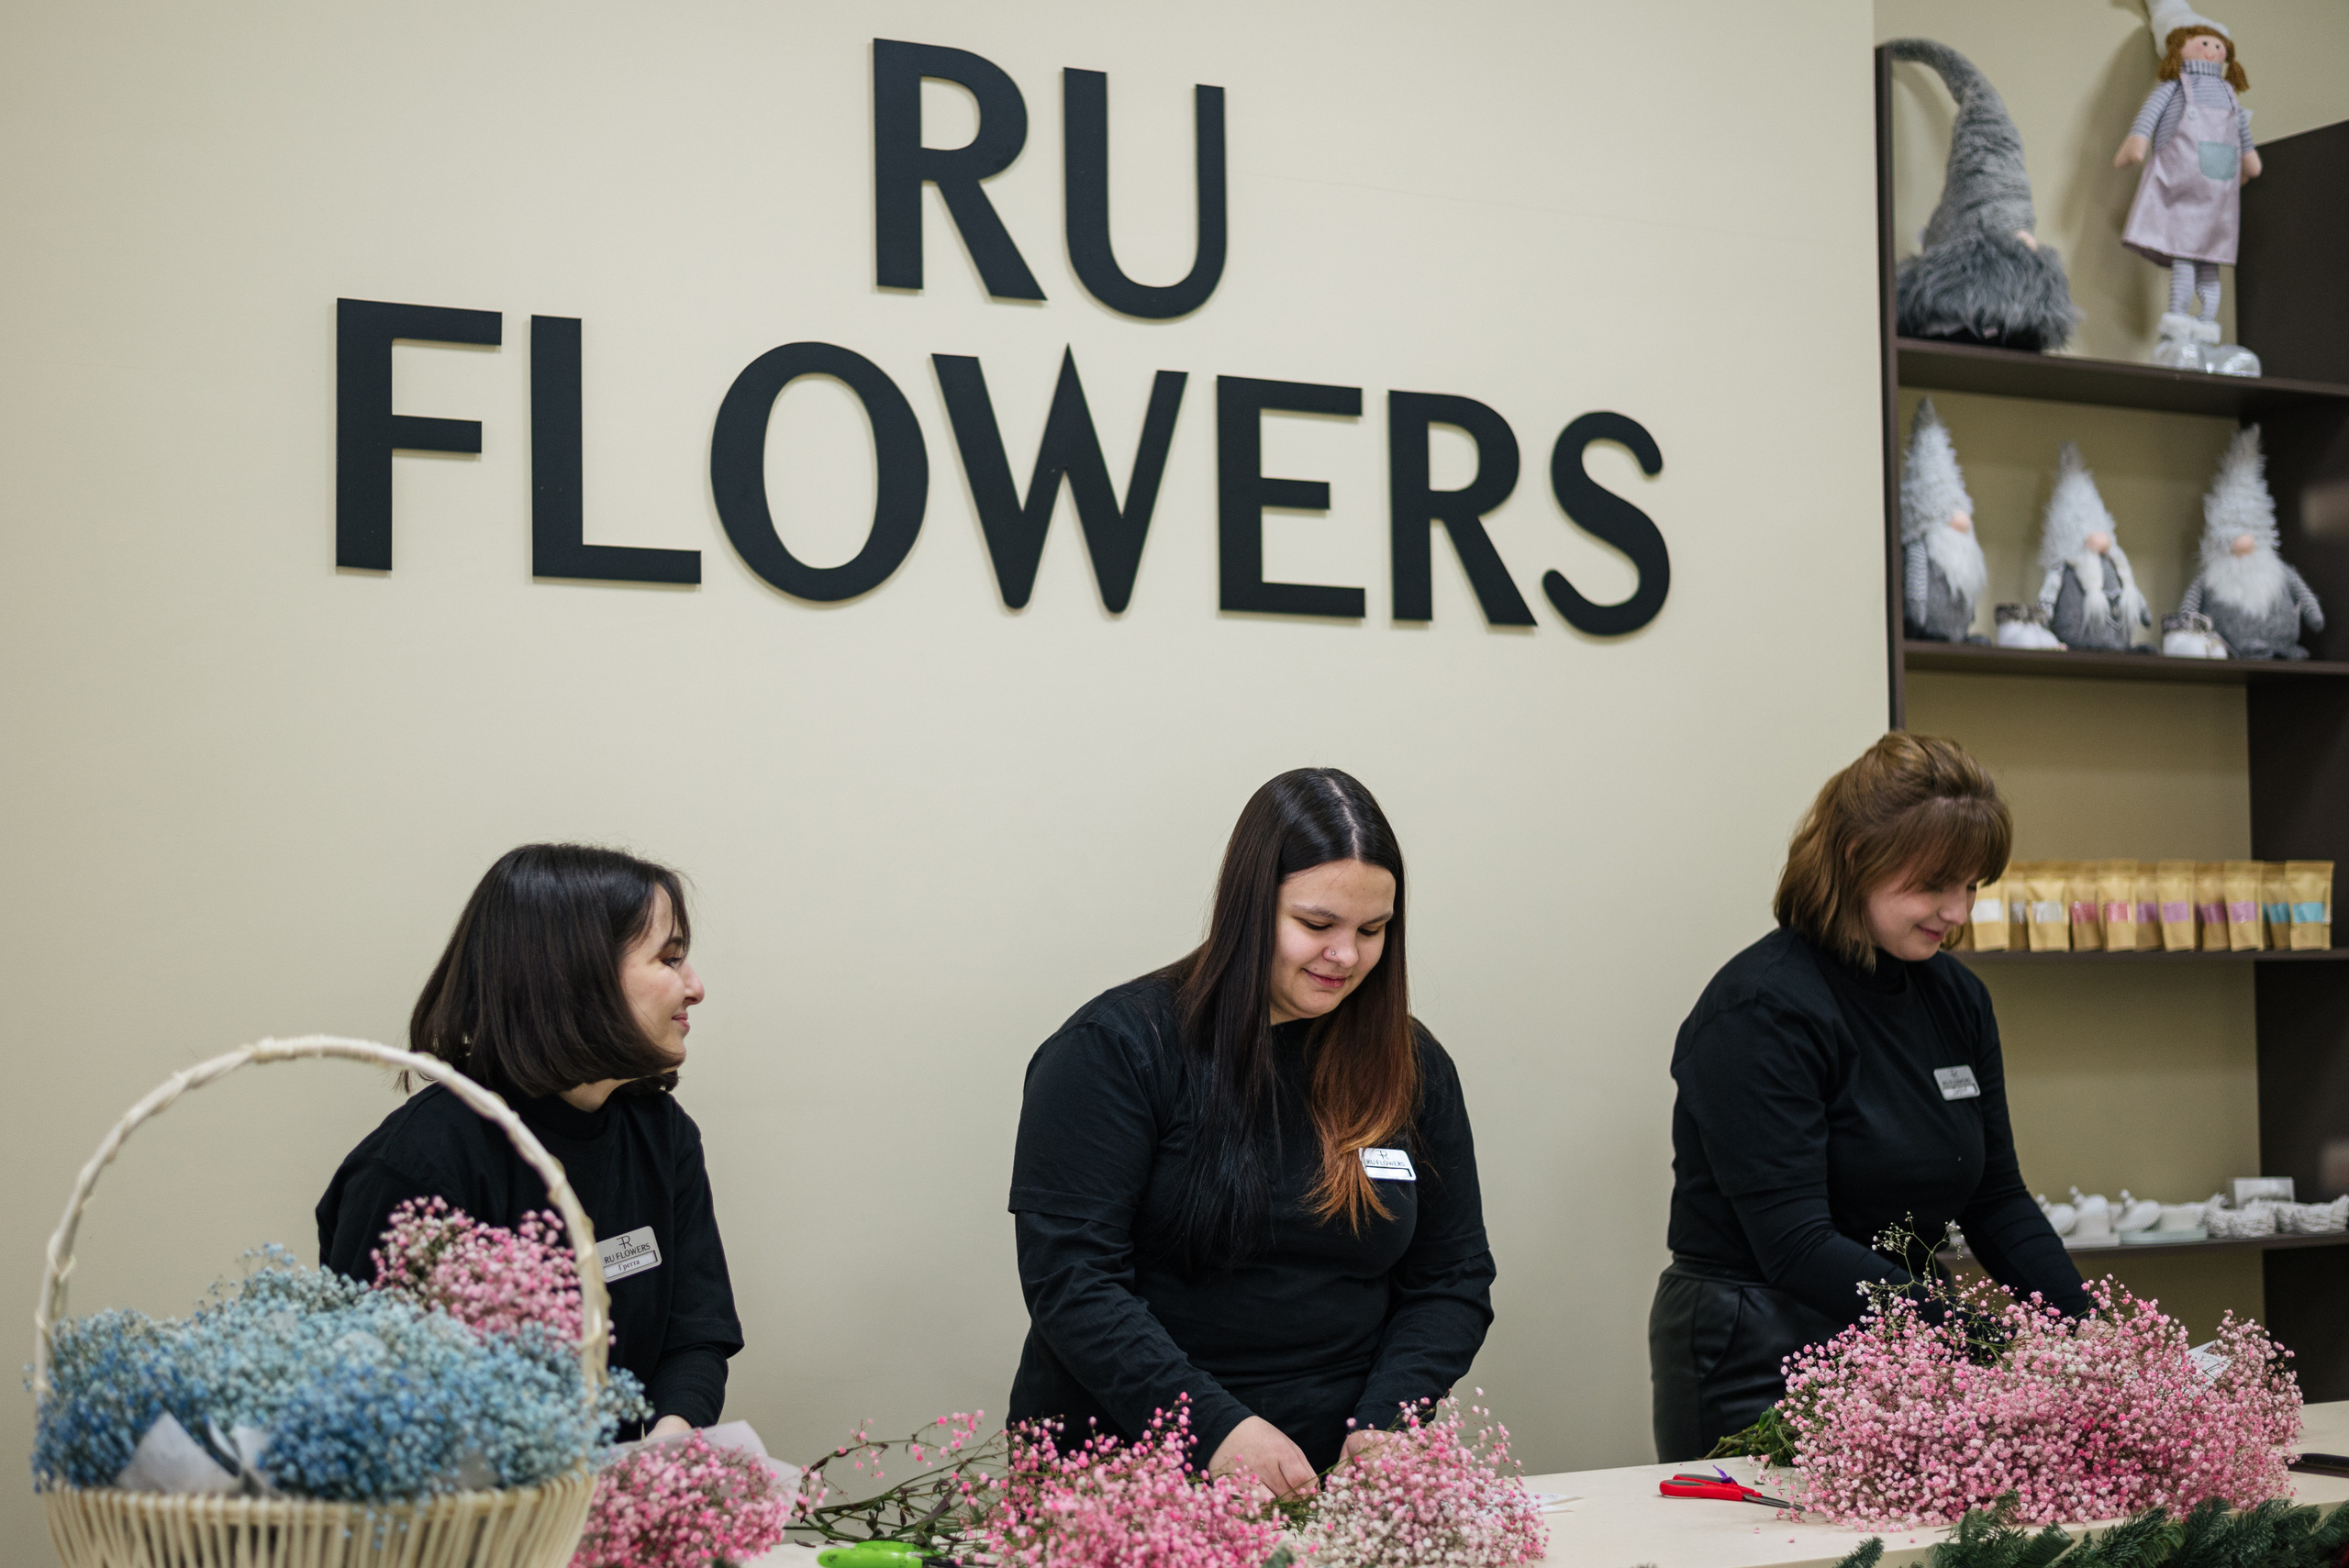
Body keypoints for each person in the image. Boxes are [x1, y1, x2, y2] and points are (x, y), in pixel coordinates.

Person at [1007, 768, 1493, 1499]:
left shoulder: (1410, 1064)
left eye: (1372, 930)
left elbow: (1451, 1278)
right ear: (1247, 907)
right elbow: (1074, 1281)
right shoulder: (1116, 1049)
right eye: (1316, 924)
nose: (1346, 956)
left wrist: (1391, 1418)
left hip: (1335, 1475)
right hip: (1133, 1468)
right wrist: (1212, 1427)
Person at [1648, 734, 2089, 1462]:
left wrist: (2084, 1325)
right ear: (1857, 857)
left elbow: (1996, 1198)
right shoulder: (1762, 1007)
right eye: (1936, 883)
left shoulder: (1957, 998)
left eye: (1974, 884)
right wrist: (1983, 1341)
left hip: (1905, 1330)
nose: (1958, 910)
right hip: (1760, 1342)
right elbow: (1796, 1244)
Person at [317, 843, 740, 1439]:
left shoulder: (661, 1132)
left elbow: (695, 1333)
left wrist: (659, 1461)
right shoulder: (418, 1166)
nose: (695, 987)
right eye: (669, 959)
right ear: (577, 974)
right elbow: (373, 1412)